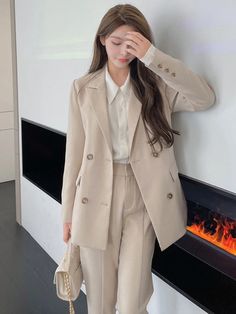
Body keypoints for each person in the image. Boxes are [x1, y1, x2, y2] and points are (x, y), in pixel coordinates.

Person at [61, 4, 216, 314]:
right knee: (101, 303)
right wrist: (68, 214)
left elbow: (204, 98)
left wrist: (153, 58)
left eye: (132, 43)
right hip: (93, 195)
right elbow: (73, 156)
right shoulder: (82, 88)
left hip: (144, 196)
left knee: (133, 303)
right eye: (116, 42)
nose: (123, 51)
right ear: (102, 40)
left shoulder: (156, 85)